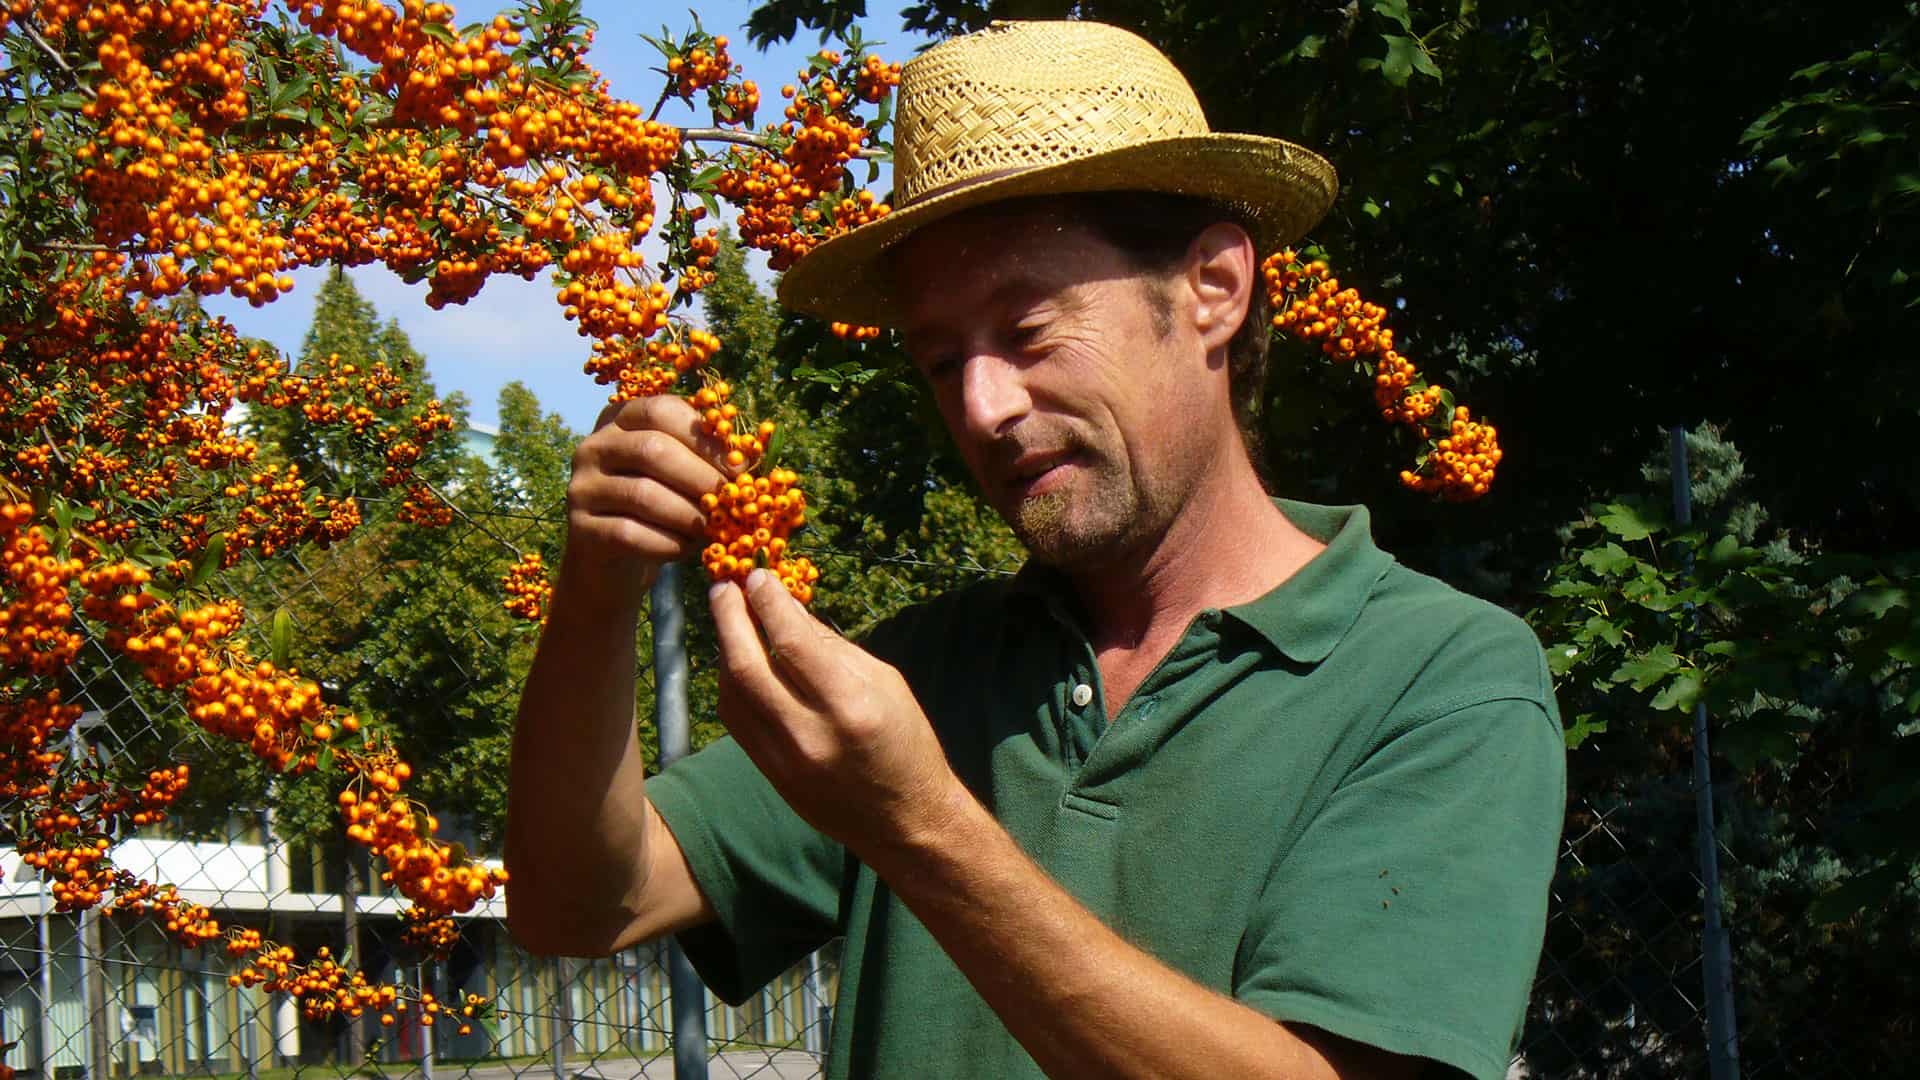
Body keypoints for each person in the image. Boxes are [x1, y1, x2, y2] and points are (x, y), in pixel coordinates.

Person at [506, 20, 1565, 1080]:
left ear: (1213, 289)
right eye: (938, 360)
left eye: (1029, 332)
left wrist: (920, 828)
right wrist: (600, 591)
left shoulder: (1439, 679)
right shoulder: (925, 673)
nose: (982, 406)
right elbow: (577, 902)